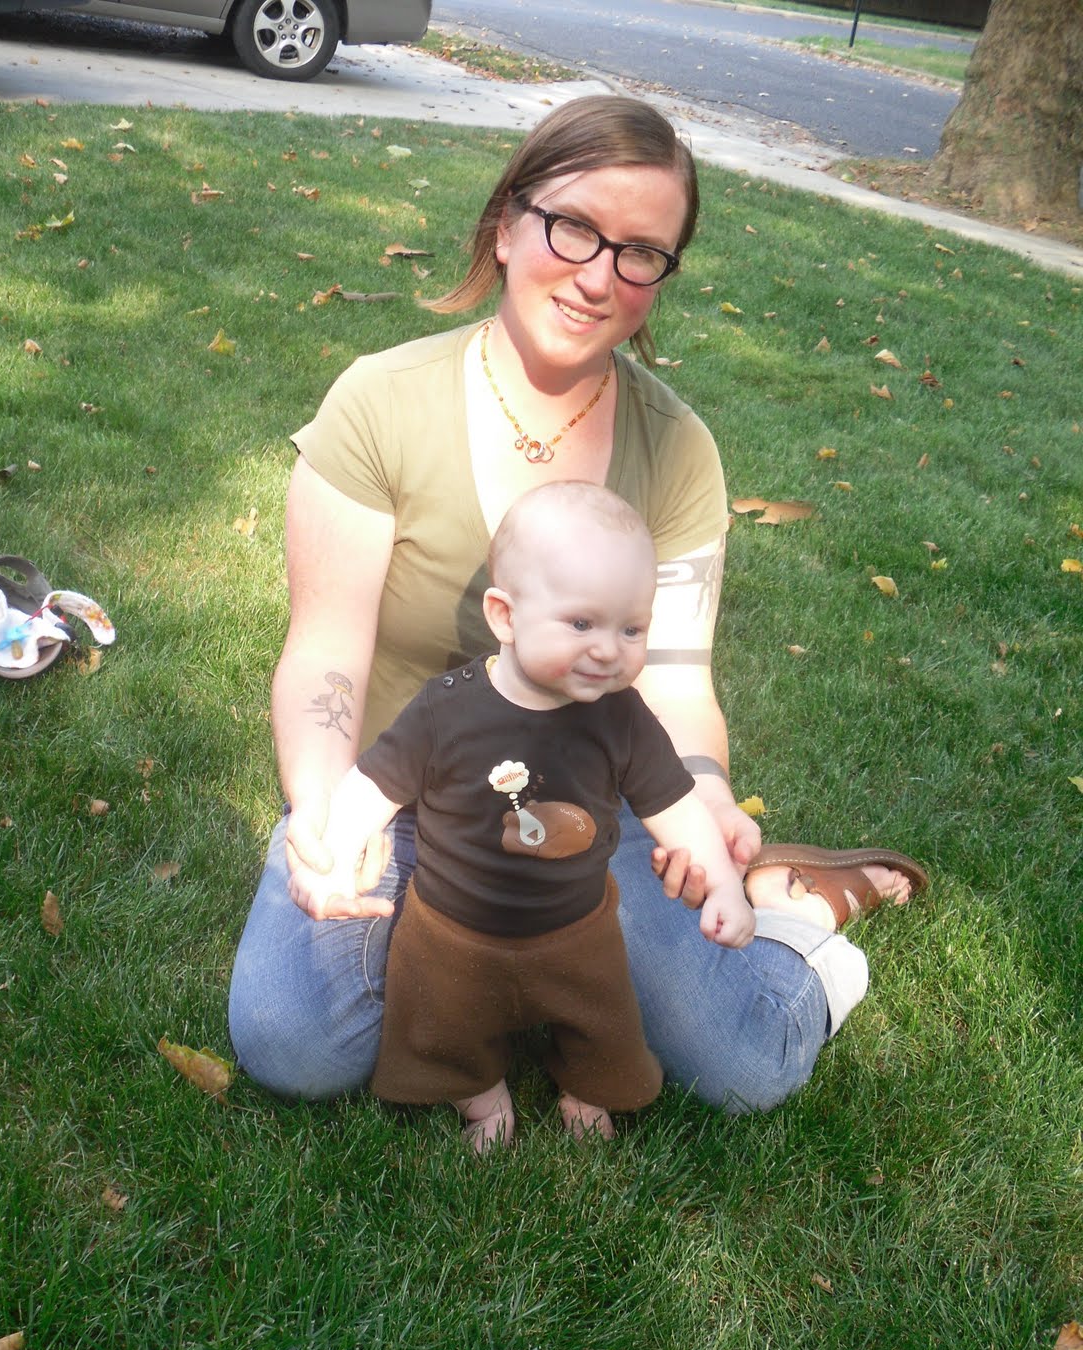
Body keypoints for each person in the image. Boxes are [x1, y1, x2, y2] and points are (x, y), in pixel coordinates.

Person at [228, 94, 926, 1116]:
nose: (599, 275)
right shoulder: (379, 404)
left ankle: (798, 913)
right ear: (507, 225)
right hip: (398, 796)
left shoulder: (676, 451)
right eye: (573, 227)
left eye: (641, 252)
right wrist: (326, 808)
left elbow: (676, 685)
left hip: (594, 816)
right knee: (295, 1043)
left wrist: (703, 799)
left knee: (743, 1070)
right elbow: (327, 650)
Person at [299, 481, 755, 1150]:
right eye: (582, 624)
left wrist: (724, 885)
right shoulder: (445, 708)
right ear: (505, 616)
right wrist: (334, 858)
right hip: (453, 929)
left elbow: (676, 806)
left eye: (631, 629)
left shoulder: (622, 717)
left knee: (602, 1018)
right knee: (442, 1021)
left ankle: (588, 1086)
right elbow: (373, 786)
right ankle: (479, 1095)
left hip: (576, 928)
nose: (609, 649)